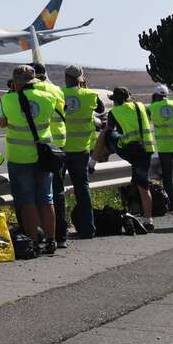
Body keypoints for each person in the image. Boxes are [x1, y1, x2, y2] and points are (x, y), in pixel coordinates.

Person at [0, 65, 58, 255]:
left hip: (19, 157)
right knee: (47, 199)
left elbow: (2, 122)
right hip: (44, 156)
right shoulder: (49, 98)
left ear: (15, 83)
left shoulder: (7, 99)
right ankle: (51, 241)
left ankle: (33, 242)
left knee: (27, 201)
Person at [62, 65, 104, 239]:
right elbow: (101, 110)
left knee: (57, 191)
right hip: (81, 150)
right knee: (82, 189)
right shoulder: (90, 95)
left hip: (62, 148)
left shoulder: (59, 93)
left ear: (65, 77)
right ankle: (88, 229)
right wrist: (84, 88)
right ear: (81, 78)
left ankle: (61, 230)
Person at [106, 87, 156, 231]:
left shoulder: (114, 112)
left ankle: (93, 162)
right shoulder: (141, 106)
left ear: (115, 100)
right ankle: (147, 219)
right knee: (141, 183)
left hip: (131, 150)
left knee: (107, 135)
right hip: (147, 149)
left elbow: (109, 130)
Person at [30, 63, 68, 248]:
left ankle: (41, 236)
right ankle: (61, 236)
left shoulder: (33, 89)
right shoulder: (57, 89)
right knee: (57, 193)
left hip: (44, 146)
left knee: (41, 195)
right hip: (60, 145)